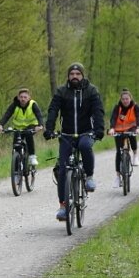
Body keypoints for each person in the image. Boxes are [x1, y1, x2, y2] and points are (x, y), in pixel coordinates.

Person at [43, 62, 105, 221]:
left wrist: (98, 130)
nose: (75, 77)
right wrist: (48, 129)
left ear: (82, 76)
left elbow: (98, 111)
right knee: (62, 170)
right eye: (72, 74)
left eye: (78, 74)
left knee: (85, 146)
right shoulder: (62, 92)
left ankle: (89, 176)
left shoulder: (91, 91)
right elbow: (53, 110)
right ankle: (63, 206)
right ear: (68, 76)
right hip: (67, 135)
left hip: (86, 132)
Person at [0, 88, 44, 165]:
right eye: (21, 97)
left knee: (28, 134)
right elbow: (7, 115)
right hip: (18, 128)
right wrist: (0, 125)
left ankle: (32, 156)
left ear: (29, 98)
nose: (23, 99)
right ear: (18, 97)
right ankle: (17, 162)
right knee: (16, 146)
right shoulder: (15, 105)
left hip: (31, 126)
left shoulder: (33, 104)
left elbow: (39, 115)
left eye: (25, 97)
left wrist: (40, 125)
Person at [108, 89, 139, 188]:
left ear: (130, 98)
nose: (125, 101)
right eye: (123, 99)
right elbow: (113, 118)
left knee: (132, 137)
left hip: (131, 128)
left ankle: (135, 155)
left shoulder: (135, 107)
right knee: (119, 152)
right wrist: (112, 128)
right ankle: (118, 177)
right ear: (121, 99)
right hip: (119, 130)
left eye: (127, 99)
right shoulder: (117, 107)